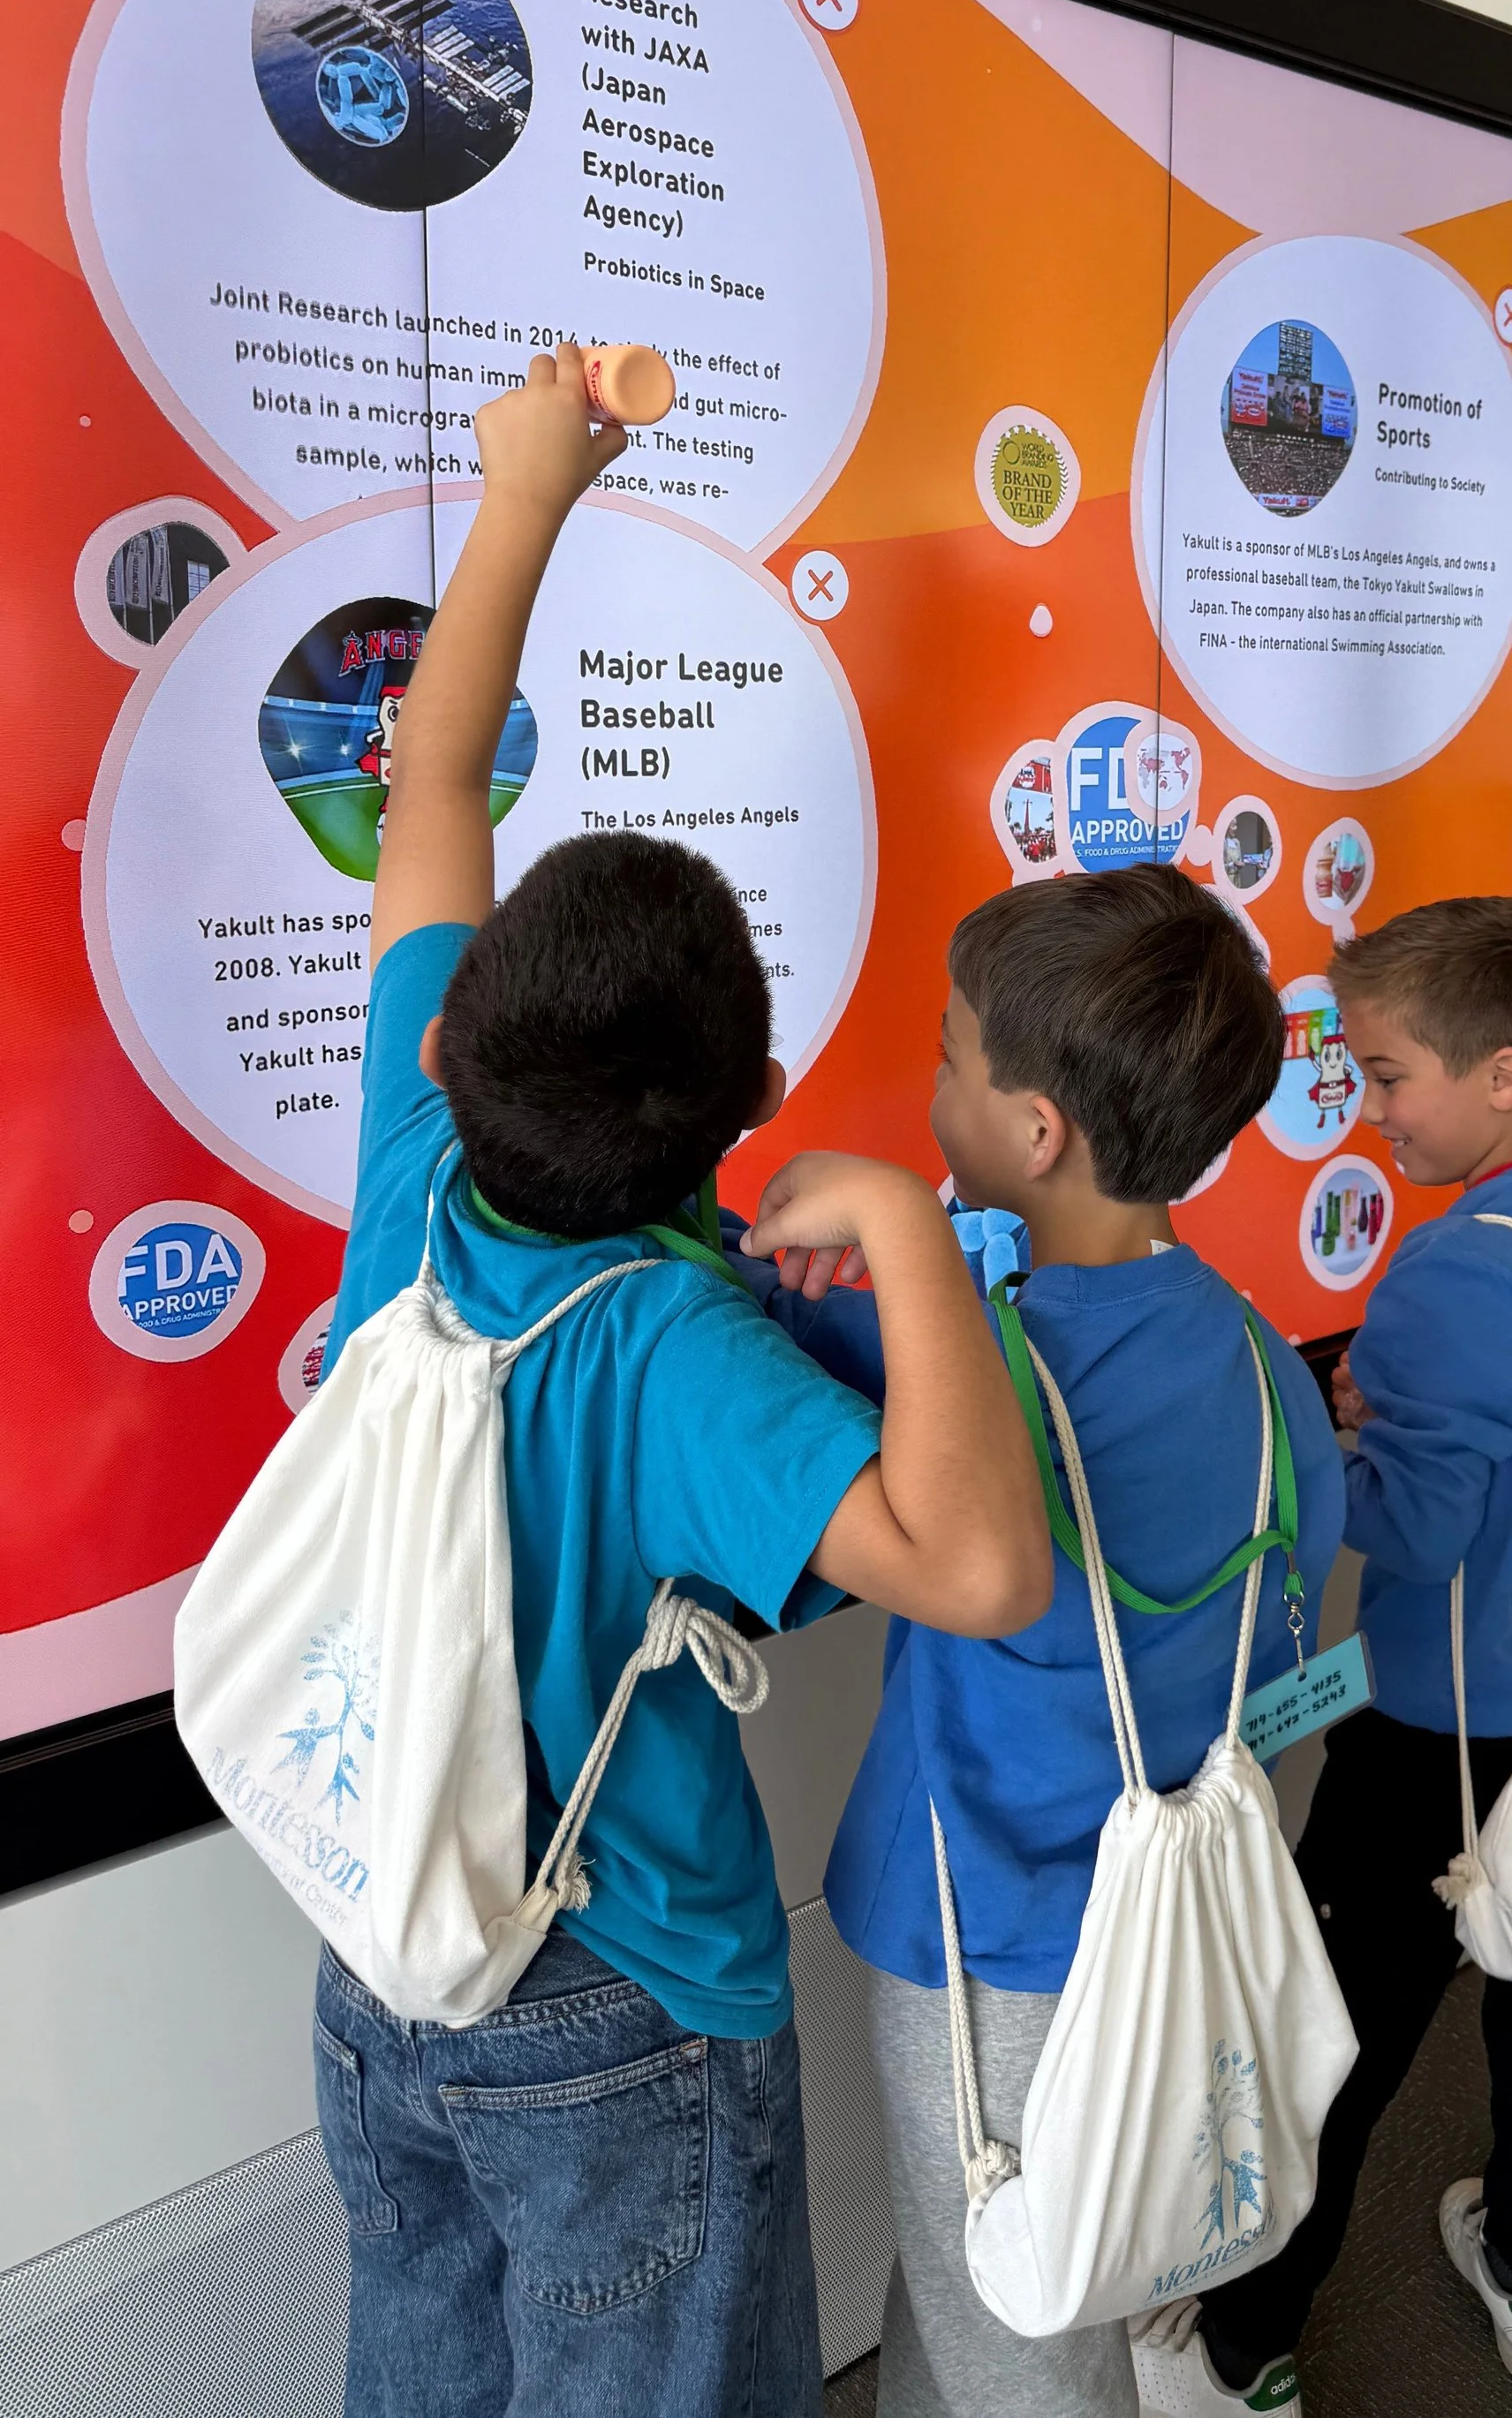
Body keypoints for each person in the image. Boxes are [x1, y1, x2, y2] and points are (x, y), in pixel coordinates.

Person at [311, 345, 1049, 2418]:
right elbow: (982, 1566)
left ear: (453, 1042)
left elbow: (436, 782)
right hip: (619, 1999)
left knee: (423, 2371)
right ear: (741, 1110)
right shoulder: (681, 1349)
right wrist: (902, 1230)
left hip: (383, 1953)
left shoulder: (415, 1169)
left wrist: (527, 489)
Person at [778, 865, 1347, 2418]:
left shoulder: (963, 1358)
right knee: (993, 2278)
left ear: (1035, 1131)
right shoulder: (1256, 1345)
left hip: (995, 1952)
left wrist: (886, 1260)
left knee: (1020, 2344)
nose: (933, 1078)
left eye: (955, 1053)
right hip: (1177, 1924)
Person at [1138, 898, 1512, 2406]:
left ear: (1504, 1074)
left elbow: (1420, 1530)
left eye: (1389, 1077)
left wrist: (1326, 1441)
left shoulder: (1451, 1272)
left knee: (1335, 2029)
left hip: (1435, 1728)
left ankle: (1246, 2344)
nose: (1371, 1112)